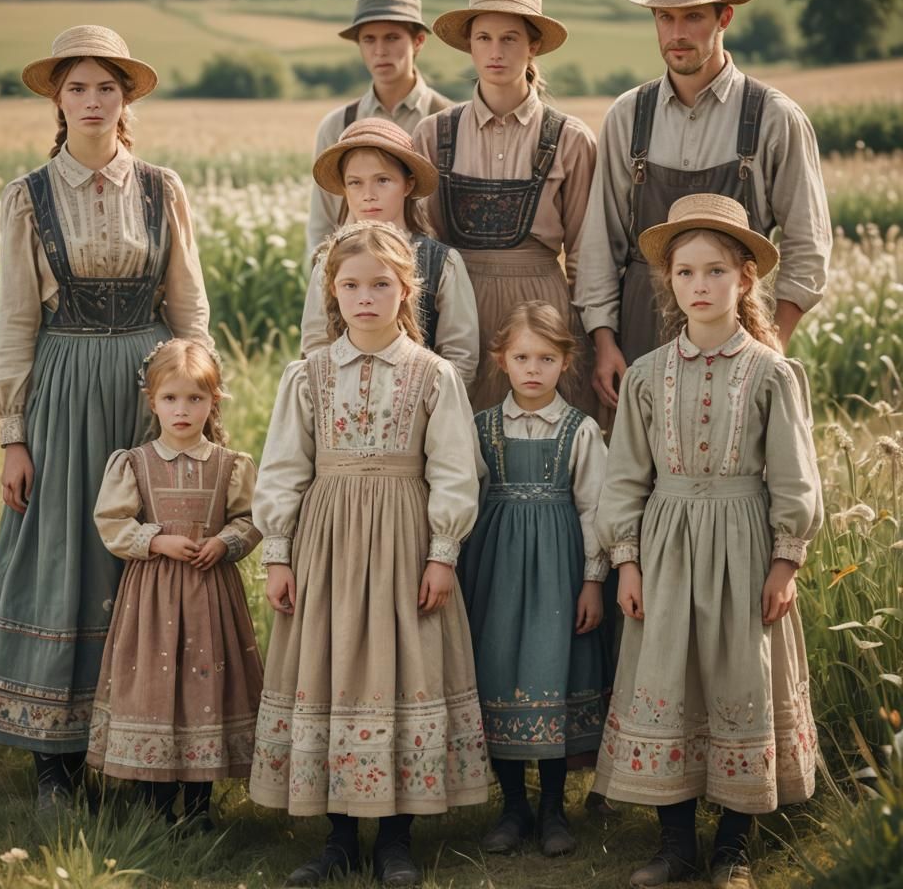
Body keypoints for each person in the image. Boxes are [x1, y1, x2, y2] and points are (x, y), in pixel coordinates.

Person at [0, 26, 212, 809]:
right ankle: (56, 760)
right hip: (64, 392)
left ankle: (145, 750)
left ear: (126, 99)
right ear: (57, 99)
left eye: (107, 87)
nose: (93, 101)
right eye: (78, 87)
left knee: (148, 559)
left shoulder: (161, 188)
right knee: (65, 555)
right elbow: (15, 322)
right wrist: (13, 435)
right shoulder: (29, 196)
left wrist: (199, 402)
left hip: (150, 394)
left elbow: (189, 306)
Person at [592, 194, 822, 889]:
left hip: (743, 545)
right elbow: (625, 477)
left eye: (715, 271)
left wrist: (785, 562)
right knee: (669, 678)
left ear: (745, 278)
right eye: (686, 272)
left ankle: (732, 846)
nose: (700, 285)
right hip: (666, 548)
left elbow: (794, 476)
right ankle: (676, 843)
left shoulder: (771, 373)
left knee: (737, 676)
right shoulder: (646, 374)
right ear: (670, 280)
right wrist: (626, 562)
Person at [250, 222, 489, 888]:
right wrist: (278, 553)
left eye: (380, 284)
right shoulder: (308, 374)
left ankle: (395, 839)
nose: (364, 297)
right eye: (351, 285)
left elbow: (455, 470)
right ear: (333, 291)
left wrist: (443, 552)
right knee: (329, 669)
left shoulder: (433, 374)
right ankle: (337, 838)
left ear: (406, 290)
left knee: (401, 668)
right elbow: (282, 467)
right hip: (327, 542)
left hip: (403, 540)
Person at [573, 0, 832, 411]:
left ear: (724, 17)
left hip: (739, 332)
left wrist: (772, 341)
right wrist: (605, 342)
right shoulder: (627, 116)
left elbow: (808, 244)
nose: (677, 33)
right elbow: (599, 242)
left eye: (692, 17)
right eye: (664, 17)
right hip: (640, 329)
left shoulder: (775, 117)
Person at [86, 339, 263, 831]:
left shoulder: (230, 464)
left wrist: (225, 542)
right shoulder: (134, 463)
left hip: (209, 598)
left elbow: (251, 519)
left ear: (213, 402)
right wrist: (155, 540)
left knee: (204, 687)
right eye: (170, 398)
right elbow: (112, 522)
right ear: (152, 401)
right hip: (153, 598)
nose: (182, 410)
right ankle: (157, 808)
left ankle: (199, 808)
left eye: (194, 398)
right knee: (154, 687)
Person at [460, 301, 611, 858]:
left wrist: (593, 579)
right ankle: (512, 807)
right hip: (495, 571)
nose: (532, 369)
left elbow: (595, 508)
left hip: (559, 574)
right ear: (501, 360)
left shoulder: (581, 430)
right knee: (497, 671)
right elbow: (463, 496)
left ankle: (552, 808)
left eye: (546, 358)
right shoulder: (480, 428)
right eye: (522, 357)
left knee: (552, 673)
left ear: (565, 362)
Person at [413, 0, 598, 416]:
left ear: (534, 46)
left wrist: (595, 340)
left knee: (543, 435)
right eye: (484, 38)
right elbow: (418, 242)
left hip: (542, 308)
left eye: (510, 38)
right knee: (459, 435)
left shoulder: (570, 138)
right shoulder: (433, 134)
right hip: (457, 310)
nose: (495, 51)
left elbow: (586, 256)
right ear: (470, 46)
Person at [302, 117, 479, 388]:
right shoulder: (329, 261)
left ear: (407, 185)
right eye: (355, 183)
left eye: (382, 180)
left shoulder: (441, 262)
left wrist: (431, 402)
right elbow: (316, 343)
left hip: (421, 403)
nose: (368, 194)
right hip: (342, 400)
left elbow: (460, 355)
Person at [306, 0, 452, 256]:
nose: (380, 50)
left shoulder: (450, 120)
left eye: (392, 37)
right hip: (355, 273)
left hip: (431, 271)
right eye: (369, 39)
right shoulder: (337, 125)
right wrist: (322, 274)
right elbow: (321, 223)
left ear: (418, 41)